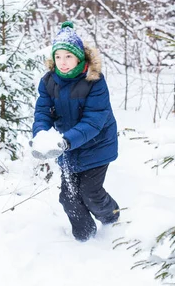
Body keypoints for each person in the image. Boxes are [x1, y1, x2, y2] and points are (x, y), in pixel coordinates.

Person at [31, 21, 120, 241]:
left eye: (68, 56)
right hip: (68, 147)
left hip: (96, 146)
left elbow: (93, 122)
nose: (63, 62)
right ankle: (85, 238)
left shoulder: (94, 81)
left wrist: (65, 141)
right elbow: (43, 112)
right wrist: (41, 135)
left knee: (90, 193)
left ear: (79, 57)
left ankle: (113, 220)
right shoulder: (49, 81)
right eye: (58, 56)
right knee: (68, 197)